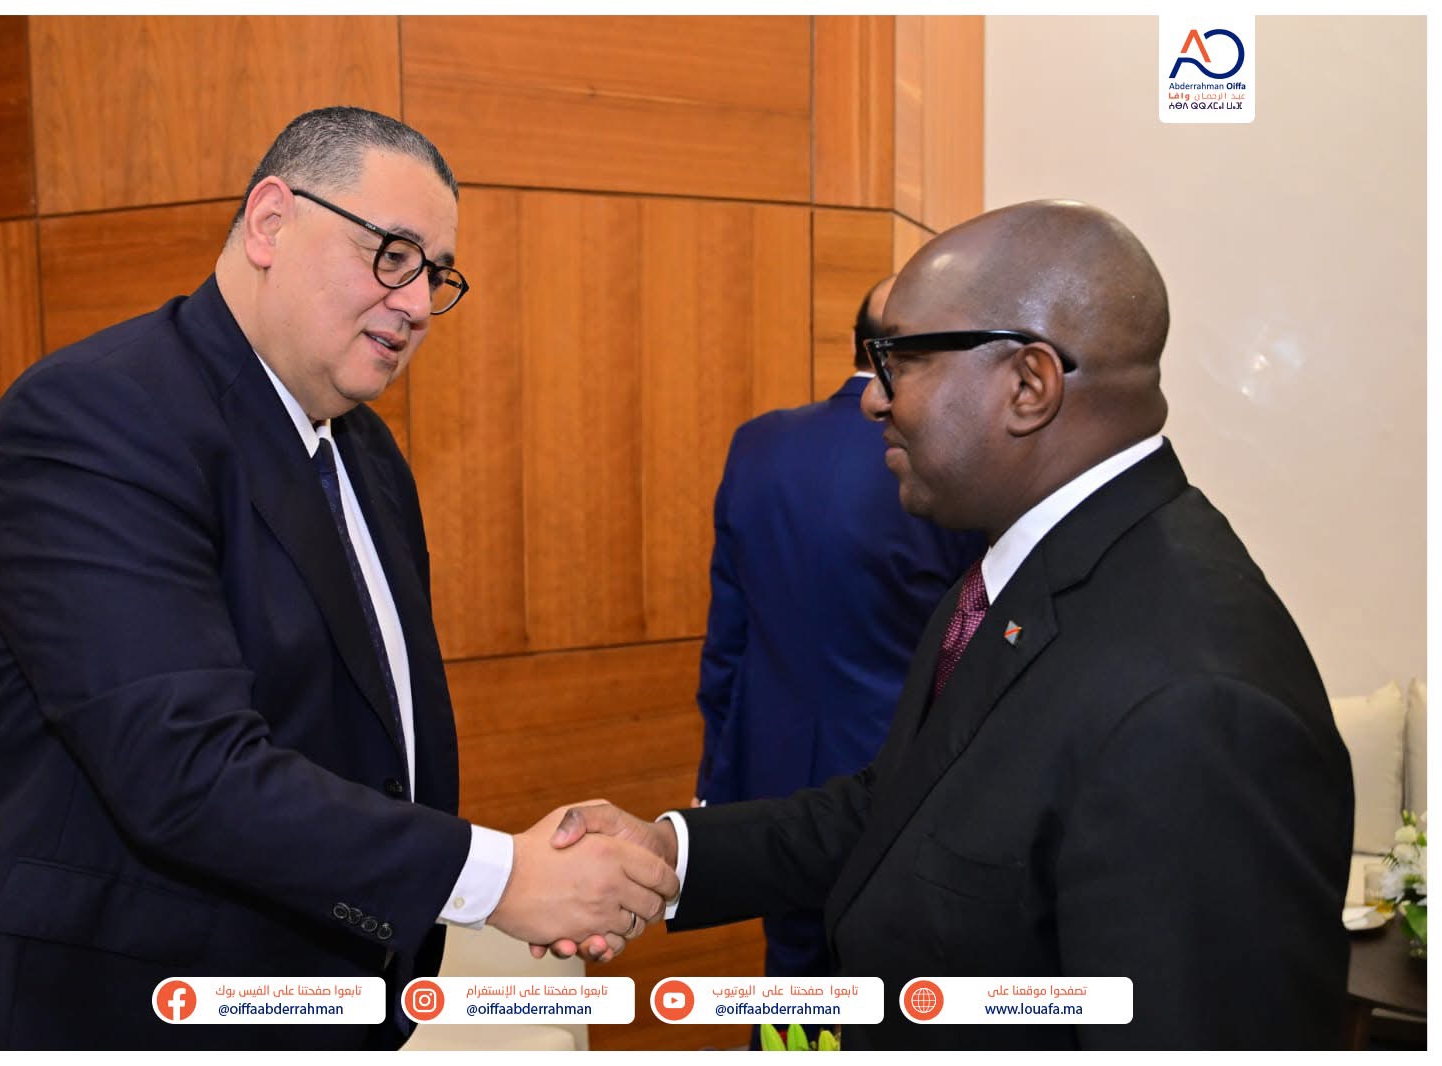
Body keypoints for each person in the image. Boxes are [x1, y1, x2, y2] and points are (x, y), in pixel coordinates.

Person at [0, 107, 673, 1051]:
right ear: (270, 222)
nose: (418, 303)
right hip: (87, 1014)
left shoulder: (367, 455)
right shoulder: (98, 416)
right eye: (393, 255)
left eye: (436, 273)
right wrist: (500, 877)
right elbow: (185, 770)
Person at [544, 200, 1354, 1049]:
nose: (872, 399)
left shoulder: (1198, 707)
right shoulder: (1023, 569)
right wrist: (669, 854)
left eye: (903, 361)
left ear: (1028, 386)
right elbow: (903, 804)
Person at [695, 274, 983, 995]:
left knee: (794, 975)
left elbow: (729, 637)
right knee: (894, 985)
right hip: (900, 782)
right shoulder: (952, 464)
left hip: (773, 771)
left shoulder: (758, 444)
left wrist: (717, 780)